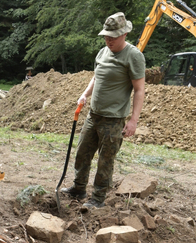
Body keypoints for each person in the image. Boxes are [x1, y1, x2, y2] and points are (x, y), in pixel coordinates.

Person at [61, 12, 146, 208]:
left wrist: (133, 120)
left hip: (113, 119)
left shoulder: (133, 56)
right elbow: (96, 76)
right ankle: (79, 188)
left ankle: (98, 198)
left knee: (105, 161)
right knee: (82, 152)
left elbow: (139, 90)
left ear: (124, 34)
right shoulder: (102, 52)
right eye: (106, 36)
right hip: (93, 115)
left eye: (113, 37)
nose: (109, 40)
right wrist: (85, 95)